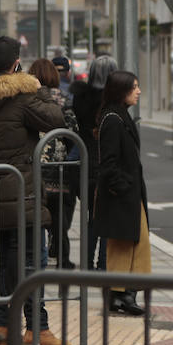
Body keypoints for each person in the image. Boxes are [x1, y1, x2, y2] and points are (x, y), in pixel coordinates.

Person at [0, 36, 67, 345]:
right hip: (25, 197)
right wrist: (35, 86)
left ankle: (2, 326)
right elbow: (56, 119)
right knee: (32, 263)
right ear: (17, 64)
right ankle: (37, 329)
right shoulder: (24, 97)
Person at [94, 70, 151, 316]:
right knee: (125, 245)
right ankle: (122, 296)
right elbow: (108, 163)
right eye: (134, 87)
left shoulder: (118, 116)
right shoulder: (113, 120)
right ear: (121, 90)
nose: (138, 91)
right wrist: (123, 188)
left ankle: (124, 294)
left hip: (128, 195)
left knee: (135, 245)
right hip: (121, 196)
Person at [30, 58, 80, 269]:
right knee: (60, 219)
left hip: (33, 168)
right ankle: (62, 259)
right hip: (60, 169)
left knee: (35, 219)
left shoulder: (27, 100)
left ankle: (36, 258)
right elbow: (74, 135)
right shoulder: (65, 100)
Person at [70, 55, 118, 270]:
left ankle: (87, 263)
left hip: (85, 161)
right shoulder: (111, 102)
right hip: (104, 163)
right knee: (107, 218)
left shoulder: (80, 98)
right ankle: (103, 263)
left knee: (92, 217)